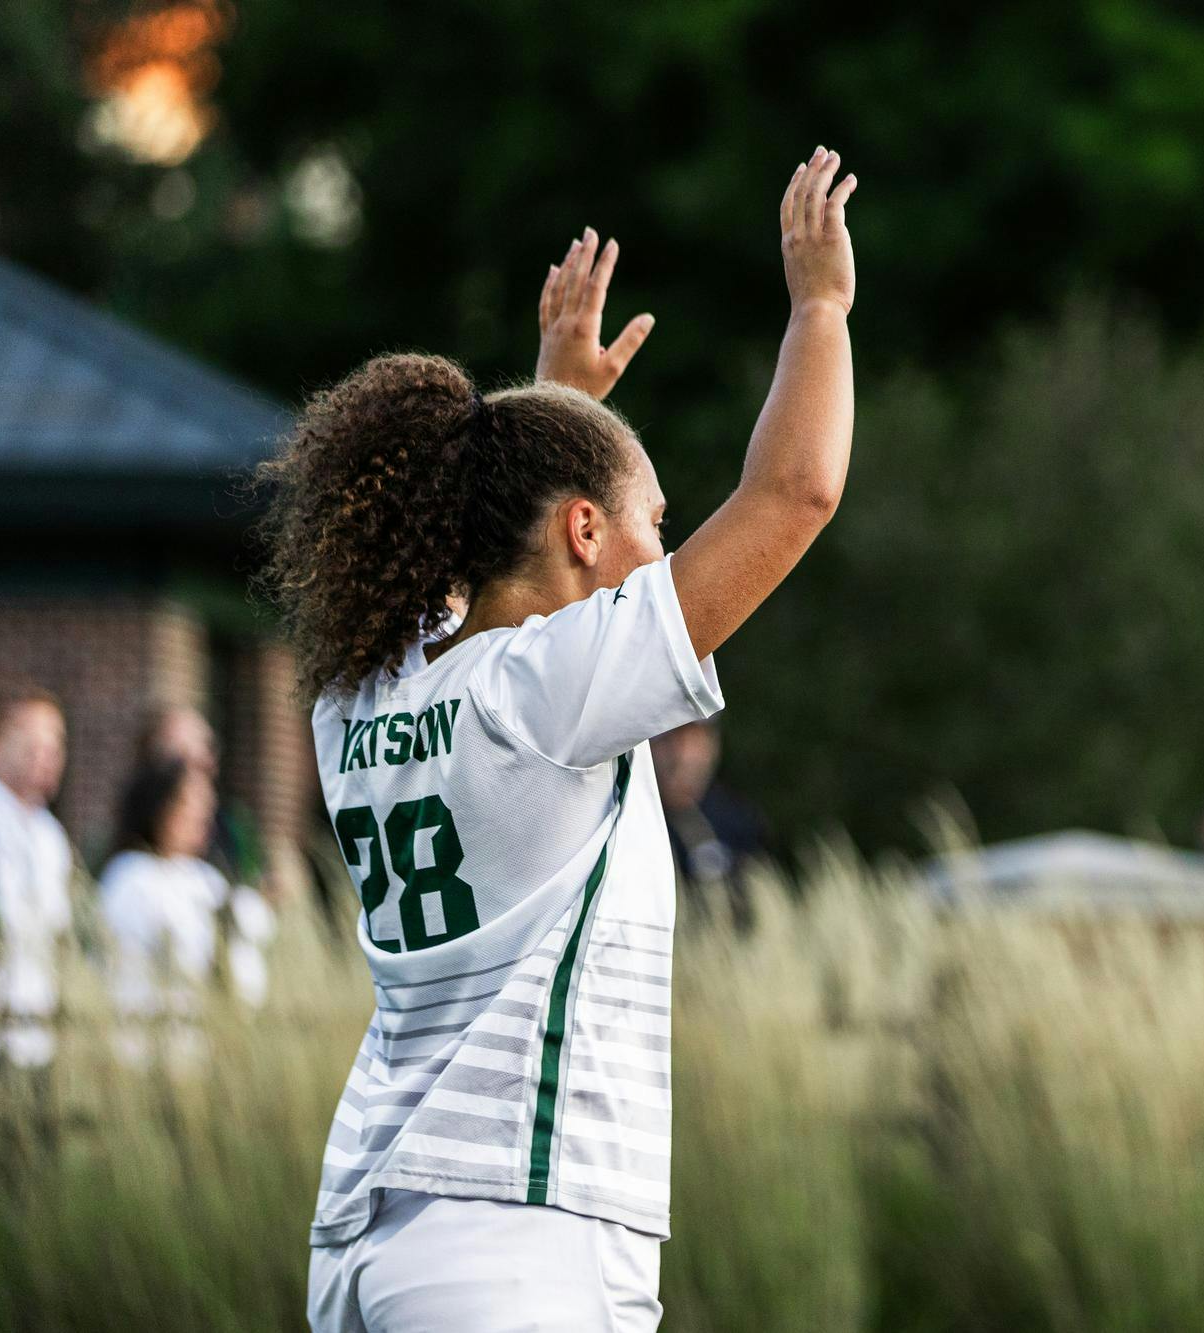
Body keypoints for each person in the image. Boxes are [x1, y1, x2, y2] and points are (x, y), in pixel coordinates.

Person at [259, 146, 858, 1331]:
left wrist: (556, 399)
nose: (662, 550)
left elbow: (492, 554)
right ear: (584, 529)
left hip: (369, 1233)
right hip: (511, 1233)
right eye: (652, 522)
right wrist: (821, 309)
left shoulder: (362, 688)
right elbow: (794, 494)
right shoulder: (543, 692)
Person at [98, 759, 276, 1058]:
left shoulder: (206, 879)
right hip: (145, 1047)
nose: (202, 815)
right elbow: (178, 958)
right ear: (158, 807)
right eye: (189, 803)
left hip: (203, 1048)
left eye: (207, 804)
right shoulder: (130, 877)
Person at [0, 683, 75, 1068]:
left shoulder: (50, 835)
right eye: (31, 741)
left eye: (55, 743)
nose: (47, 755)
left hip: (35, 1028)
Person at [135, 703, 264, 886]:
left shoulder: (232, 826)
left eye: (211, 751)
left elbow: (250, 879)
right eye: (194, 763)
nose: (210, 762)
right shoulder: (134, 871)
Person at [652, 720, 769, 900]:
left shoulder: (737, 820)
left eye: (697, 739)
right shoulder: (636, 822)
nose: (685, 755)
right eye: (673, 740)